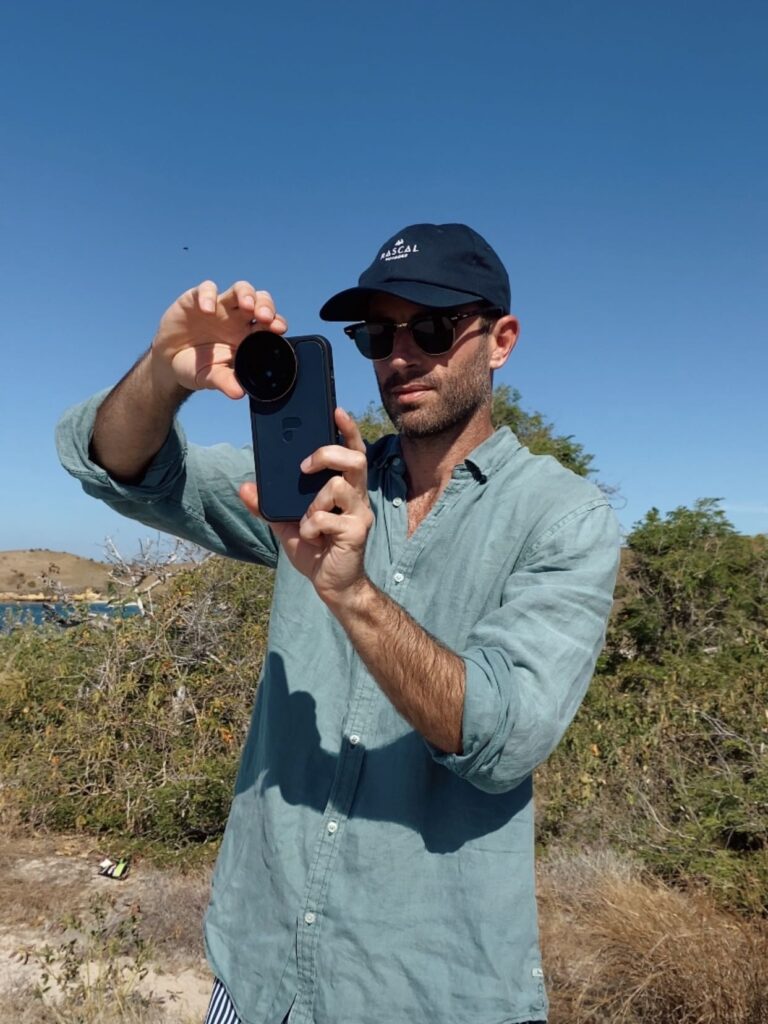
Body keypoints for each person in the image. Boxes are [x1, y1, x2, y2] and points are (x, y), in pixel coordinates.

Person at [57, 223, 620, 1024]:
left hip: (424, 994)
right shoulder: (315, 485)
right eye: (375, 334)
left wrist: (351, 595)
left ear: (500, 341)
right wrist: (164, 374)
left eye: (429, 328)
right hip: (254, 975)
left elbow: (507, 735)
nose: (399, 355)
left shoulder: (561, 519)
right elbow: (123, 470)